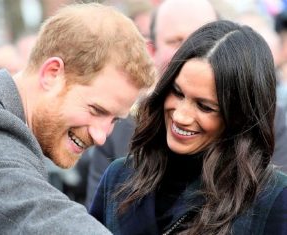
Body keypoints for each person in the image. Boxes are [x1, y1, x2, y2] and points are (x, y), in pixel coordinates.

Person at [0, 3, 155, 234]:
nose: (101, 136)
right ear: (52, 73)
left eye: (114, 119)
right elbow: (42, 216)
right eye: (96, 110)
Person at [90, 20, 287, 235]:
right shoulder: (120, 176)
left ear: (240, 117)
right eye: (177, 92)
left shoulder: (274, 199)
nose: (181, 115)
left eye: (204, 107)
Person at [82, 0, 218, 209]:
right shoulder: (117, 125)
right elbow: (96, 219)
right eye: (177, 42)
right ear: (152, 50)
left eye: (206, 41)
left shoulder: (262, 120)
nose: (193, 53)